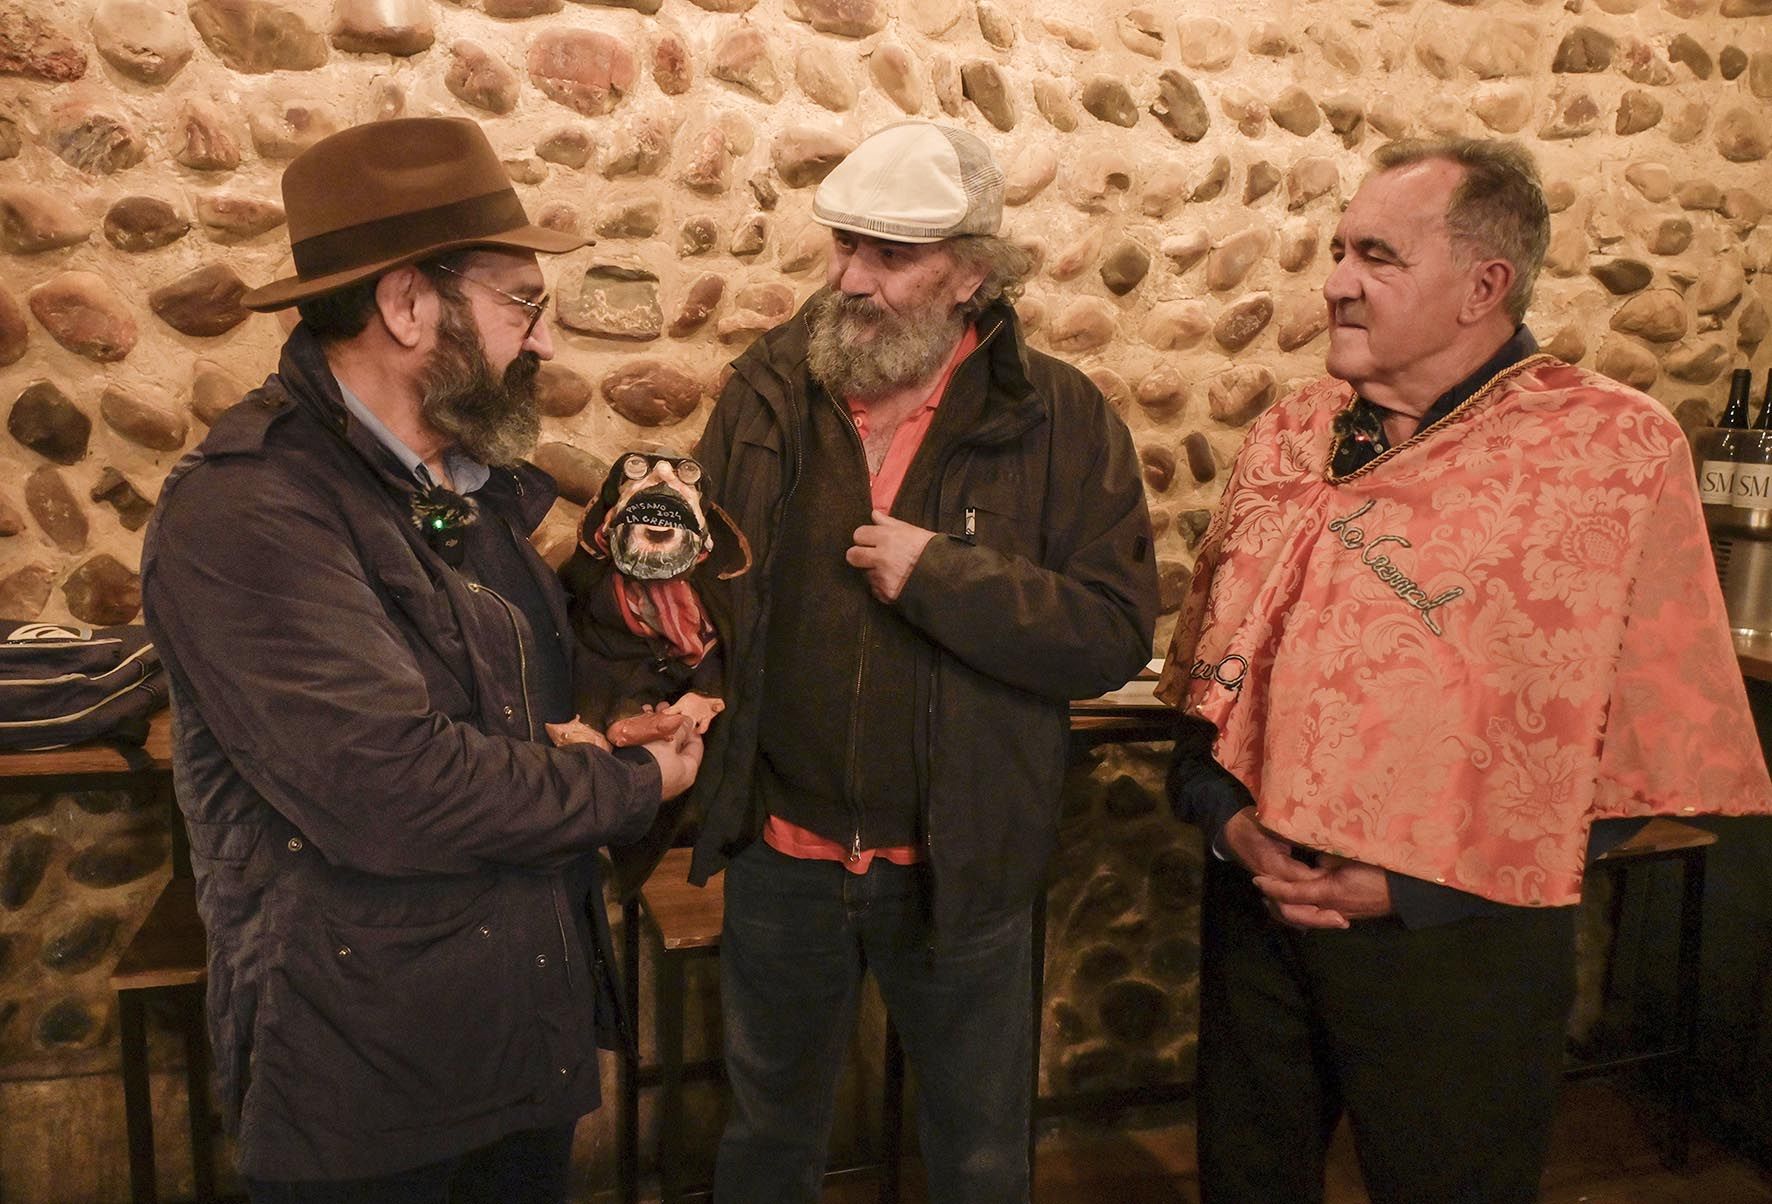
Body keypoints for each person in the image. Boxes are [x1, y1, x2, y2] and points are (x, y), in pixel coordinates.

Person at [1158, 136, 1772, 1204]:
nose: (1335, 280)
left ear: (1481, 284)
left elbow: (1644, 746)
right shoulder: (1289, 432)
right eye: (1337, 247)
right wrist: (1226, 819)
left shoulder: (1610, 454)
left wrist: (1409, 886)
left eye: (1376, 255)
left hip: (1461, 948)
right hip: (1259, 911)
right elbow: (1208, 684)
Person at [140, 117, 702, 1202]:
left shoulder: (462, 480)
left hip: (511, 1032)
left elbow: (473, 714)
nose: (543, 343)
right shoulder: (252, 508)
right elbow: (385, 788)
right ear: (406, 304)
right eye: (521, 302)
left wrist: (577, 734)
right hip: (372, 1077)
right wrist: (630, 782)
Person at [684, 121, 1159, 1202]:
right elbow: (701, 591)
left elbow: (1110, 631)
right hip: (781, 853)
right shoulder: (765, 392)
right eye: (844, 246)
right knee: (765, 1141)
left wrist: (945, 577)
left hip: (961, 866)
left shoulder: (1060, 417)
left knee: (980, 1157)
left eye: (889, 256)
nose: (850, 279)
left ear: (972, 275)